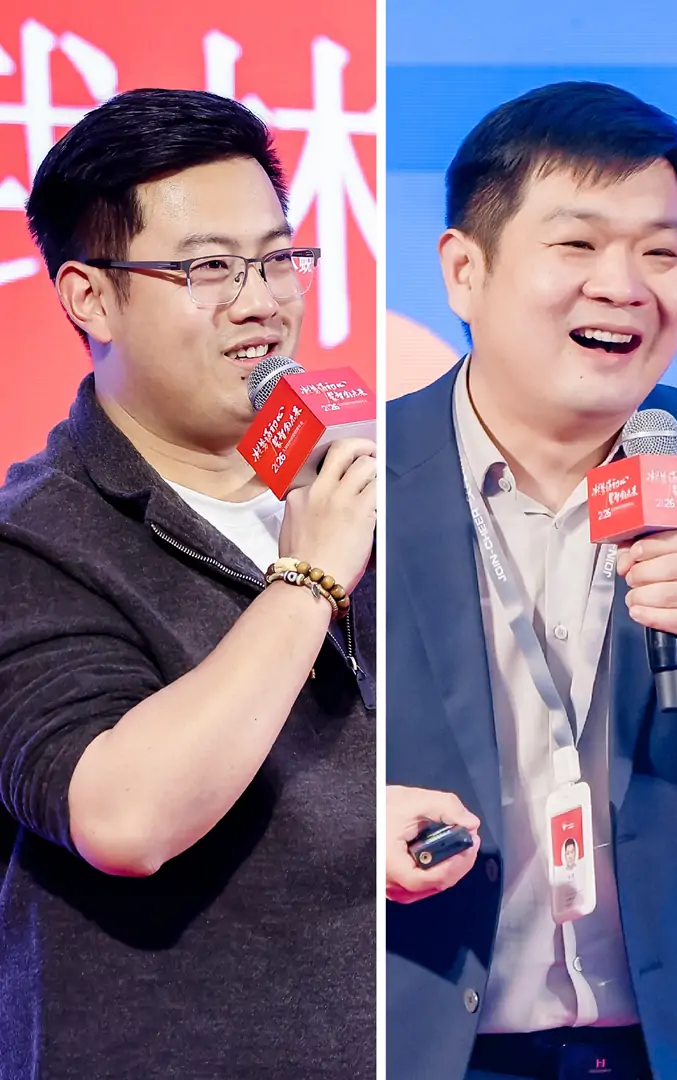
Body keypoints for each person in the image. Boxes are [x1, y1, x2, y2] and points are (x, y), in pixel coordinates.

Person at [382, 83, 677, 1080]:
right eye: (579, 244)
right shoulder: (358, 486)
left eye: (661, 252)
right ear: (464, 271)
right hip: (428, 1041)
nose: (624, 286)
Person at [0, 89, 376, 1076]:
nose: (261, 301)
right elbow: (124, 818)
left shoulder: (352, 482)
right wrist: (306, 581)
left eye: (278, 257)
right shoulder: (34, 540)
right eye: (209, 268)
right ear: (90, 297)